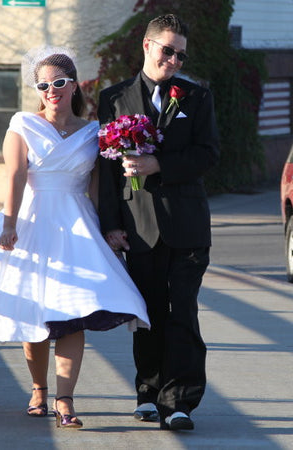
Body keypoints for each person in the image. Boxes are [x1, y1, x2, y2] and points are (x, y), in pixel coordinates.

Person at [0, 46, 150, 429]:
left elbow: (98, 189)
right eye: (44, 84)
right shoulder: (22, 124)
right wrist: (10, 222)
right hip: (31, 222)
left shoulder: (92, 132)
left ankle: (65, 399)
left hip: (77, 225)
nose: (52, 90)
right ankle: (38, 390)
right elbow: (15, 175)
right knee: (35, 311)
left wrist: (109, 232)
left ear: (74, 85)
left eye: (60, 82)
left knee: (74, 313)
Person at [97, 14, 220, 431]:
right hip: (138, 226)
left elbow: (207, 155)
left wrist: (158, 164)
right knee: (147, 314)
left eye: (181, 55)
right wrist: (111, 225)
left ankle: (180, 401)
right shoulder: (113, 98)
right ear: (148, 46)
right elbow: (106, 171)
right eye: (168, 51)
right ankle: (147, 393)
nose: (174, 61)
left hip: (186, 225)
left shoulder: (196, 96)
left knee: (183, 312)